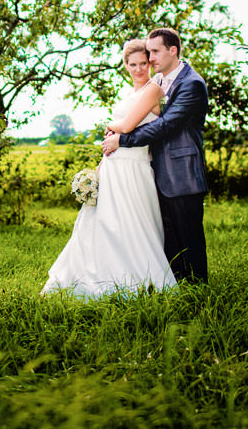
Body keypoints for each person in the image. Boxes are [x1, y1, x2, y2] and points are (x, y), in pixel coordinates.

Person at [41, 39, 177, 298]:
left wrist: (112, 125)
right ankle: (100, 276)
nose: (138, 69)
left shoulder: (153, 89)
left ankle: (139, 280)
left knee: (133, 226)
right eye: (132, 64)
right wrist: (100, 167)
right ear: (125, 66)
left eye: (143, 63)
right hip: (114, 166)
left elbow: (126, 126)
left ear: (150, 63)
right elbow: (118, 130)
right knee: (101, 224)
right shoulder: (130, 93)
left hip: (134, 168)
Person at [102, 27, 208, 283]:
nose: (149, 59)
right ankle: (174, 285)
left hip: (183, 173)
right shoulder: (159, 81)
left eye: (154, 52)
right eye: (147, 52)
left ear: (173, 50)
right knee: (168, 238)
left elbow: (166, 125)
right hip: (157, 170)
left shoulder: (192, 83)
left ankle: (198, 291)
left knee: (189, 238)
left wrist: (122, 139)